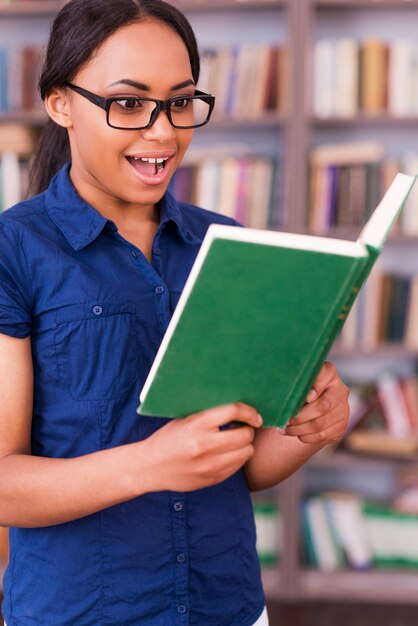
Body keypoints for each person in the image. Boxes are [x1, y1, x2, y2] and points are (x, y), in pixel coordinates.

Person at [0, 1, 350, 624]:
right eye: (129, 103)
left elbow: (242, 465)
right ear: (60, 103)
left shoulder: (227, 243)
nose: (163, 133)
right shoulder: (15, 250)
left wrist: (306, 429)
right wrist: (147, 464)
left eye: (181, 102)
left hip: (229, 606)